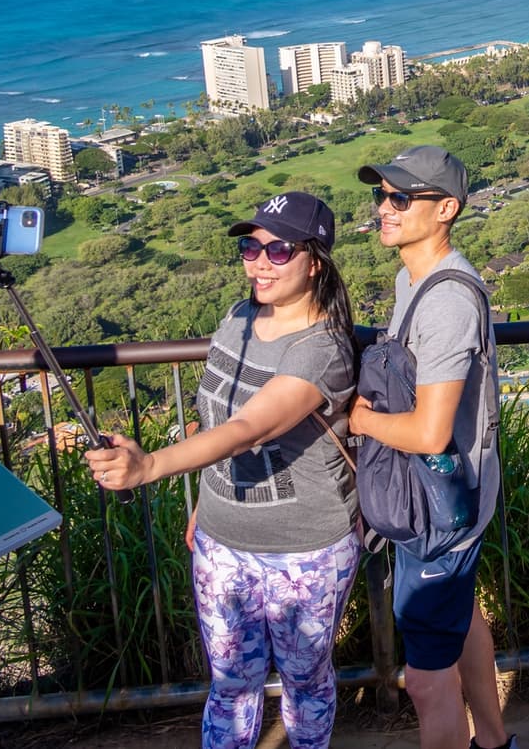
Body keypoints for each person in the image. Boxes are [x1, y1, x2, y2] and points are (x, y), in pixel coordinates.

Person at [87, 191, 361, 749]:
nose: (260, 263)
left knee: (305, 682)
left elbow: (249, 429)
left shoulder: (323, 348)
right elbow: (216, 418)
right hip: (221, 540)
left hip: (304, 550)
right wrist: (203, 503)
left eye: (279, 250)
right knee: (231, 682)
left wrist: (150, 466)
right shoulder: (237, 318)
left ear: (315, 262)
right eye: (250, 248)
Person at [349, 146, 513, 749]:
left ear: (447, 209)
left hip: (439, 510)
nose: (384, 208)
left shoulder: (445, 300)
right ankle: (493, 741)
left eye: (400, 198)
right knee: (460, 620)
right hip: (442, 493)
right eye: (381, 195)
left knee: (424, 682)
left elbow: (428, 432)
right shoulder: (412, 279)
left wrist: (359, 420)